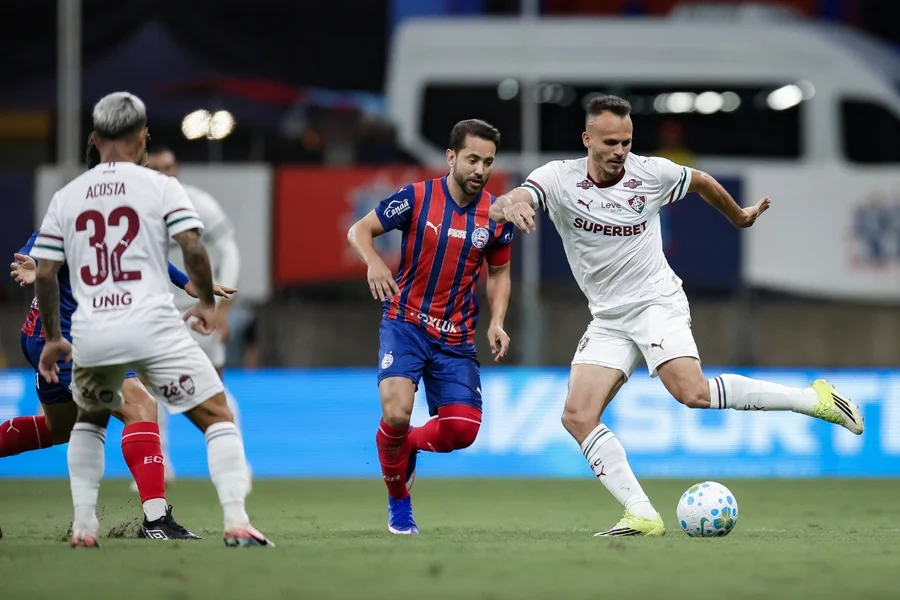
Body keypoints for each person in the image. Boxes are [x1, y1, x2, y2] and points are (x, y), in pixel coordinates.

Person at [489, 95, 864, 537]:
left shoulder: (652, 173)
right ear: (587, 139)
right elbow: (511, 199)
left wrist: (738, 217)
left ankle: (815, 399)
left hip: (655, 302)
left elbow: (701, 180)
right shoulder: (556, 178)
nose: (619, 151)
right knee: (576, 415)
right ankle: (642, 514)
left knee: (692, 392)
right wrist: (510, 205)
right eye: (609, 142)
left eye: (626, 142)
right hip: (608, 317)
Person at [30, 91, 270, 548]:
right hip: (153, 325)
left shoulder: (67, 196)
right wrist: (206, 302)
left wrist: (55, 337)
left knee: (90, 420)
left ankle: (84, 527)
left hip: (93, 331)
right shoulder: (160, 186)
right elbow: (193, 245)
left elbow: (44, 272)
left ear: (94, 139)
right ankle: (237, 521)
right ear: (142, 136)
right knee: (217, 414)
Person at [347, 119, 514, 534]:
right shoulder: (416, 197)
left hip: (456, 337)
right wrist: (373, 262)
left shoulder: (497, 215)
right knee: (396, 412)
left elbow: (499, 273)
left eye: (488, 162)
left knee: (463, 431)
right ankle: (399, 506)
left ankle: (404, 446)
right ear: (451, 157)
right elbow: (360, 230)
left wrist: (497, 321)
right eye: (472, 159)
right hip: (405, 323)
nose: (480, 169)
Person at [5, 237, 234, 539]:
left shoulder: (115, 217)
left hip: (69, 334)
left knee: (58, 428)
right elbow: (39, 246)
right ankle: (156, 520)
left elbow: (140, 247)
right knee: (141, 406)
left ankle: (143, 520)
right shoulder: (69, 215)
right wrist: (35, 265)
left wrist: (185, 282)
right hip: (64, 337)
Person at [147, 146, 244, 485]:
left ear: (178, 168)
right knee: (148, 389)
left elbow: (229, 252)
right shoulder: (140, 209)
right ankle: (159, 463)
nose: (164, 173)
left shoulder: (198, 203)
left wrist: (222, 308)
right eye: (156, 168)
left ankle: (235, 463)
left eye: (169, 166)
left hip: (200, 309)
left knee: (216, 386)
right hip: (157, 311)